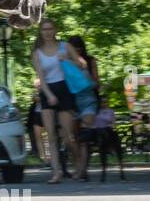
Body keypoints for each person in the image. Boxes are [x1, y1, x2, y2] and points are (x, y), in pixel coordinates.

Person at [31, 18, 79, 183]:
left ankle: (79, 164)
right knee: (50, 135)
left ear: (55, 30)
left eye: (50, 28)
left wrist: (67, 59)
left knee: (67, 135)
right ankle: (56, 172)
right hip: (48, 91)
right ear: (41, 32)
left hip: (64, 88)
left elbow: (82, 65)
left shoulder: (65, 46)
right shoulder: (37, 53)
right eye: (44, 29)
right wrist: (48, 94)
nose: (47, 32)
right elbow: (41, 78)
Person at [66, 35, 101, 180]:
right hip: (72, 102)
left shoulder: (89, 61)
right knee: (70, 138)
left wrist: (86, 80)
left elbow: (96, 82)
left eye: (79, 48)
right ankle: (80, 165)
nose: (77, 51)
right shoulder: (65, 63)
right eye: (74, 49)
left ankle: (82, 170)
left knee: (84, 137)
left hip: (88, 100)